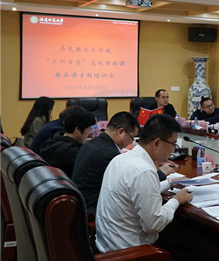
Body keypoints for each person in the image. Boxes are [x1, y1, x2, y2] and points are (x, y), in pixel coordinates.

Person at [95, 115, 192, 252]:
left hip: (107, 245)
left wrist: (169, 183)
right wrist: (176, 200)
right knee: (192, 258)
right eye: (173, 144)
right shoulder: (144, 170)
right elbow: (154, 225)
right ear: (157, 143)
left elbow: (138, 192)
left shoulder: (120, 158)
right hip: (130, 254)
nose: (173, 150)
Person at [72, 112, 140, 215]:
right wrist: (161, 174)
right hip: (93, 209)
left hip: (83, 201)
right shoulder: (109, 154)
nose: (132, 142)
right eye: (132, 137)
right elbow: (132, 183)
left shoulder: (93, 142)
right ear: (121, 132)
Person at [39, 106, 95, 178]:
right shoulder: (71, 152)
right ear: (77, 130)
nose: (90, 132)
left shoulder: (55, 139)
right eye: (89, 129)